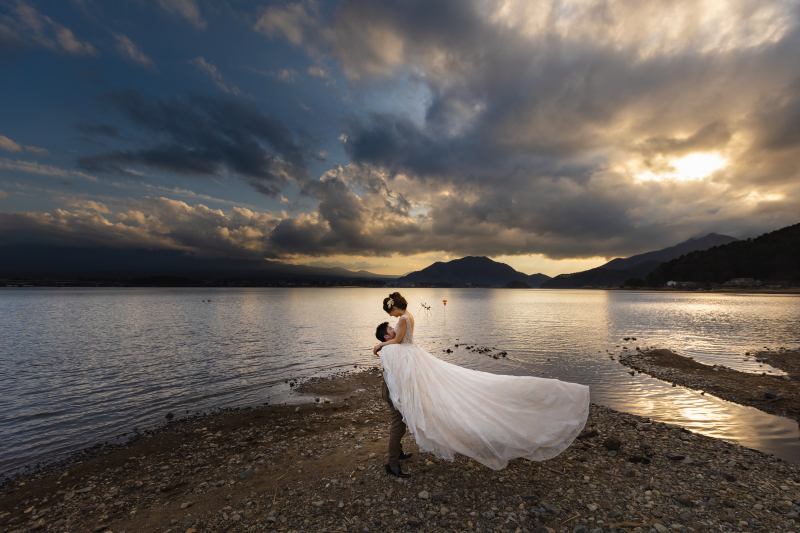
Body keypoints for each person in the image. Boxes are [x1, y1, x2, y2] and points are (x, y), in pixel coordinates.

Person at [373, 291, 590, 473]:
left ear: (393, 308)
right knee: (414, 407)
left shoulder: (402, 320)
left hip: (412, 357)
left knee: (409, 411)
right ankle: (396, 456)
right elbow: (401, 343)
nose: (391, 318)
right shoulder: (408, 316)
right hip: (415, 356)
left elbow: (399, 340)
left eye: (389, 312)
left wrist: (380, 346)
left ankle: (394, 460)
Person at [374, 321, 413, 477]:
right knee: (398, 428)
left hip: (392, 391)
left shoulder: (389, 346)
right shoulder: (389, 349)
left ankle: (399, 453)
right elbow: (394, 375)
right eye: (391, 329)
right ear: (386, 336)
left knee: (401, 423)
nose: (394, 329)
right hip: (392, 393)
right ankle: (393, 464)